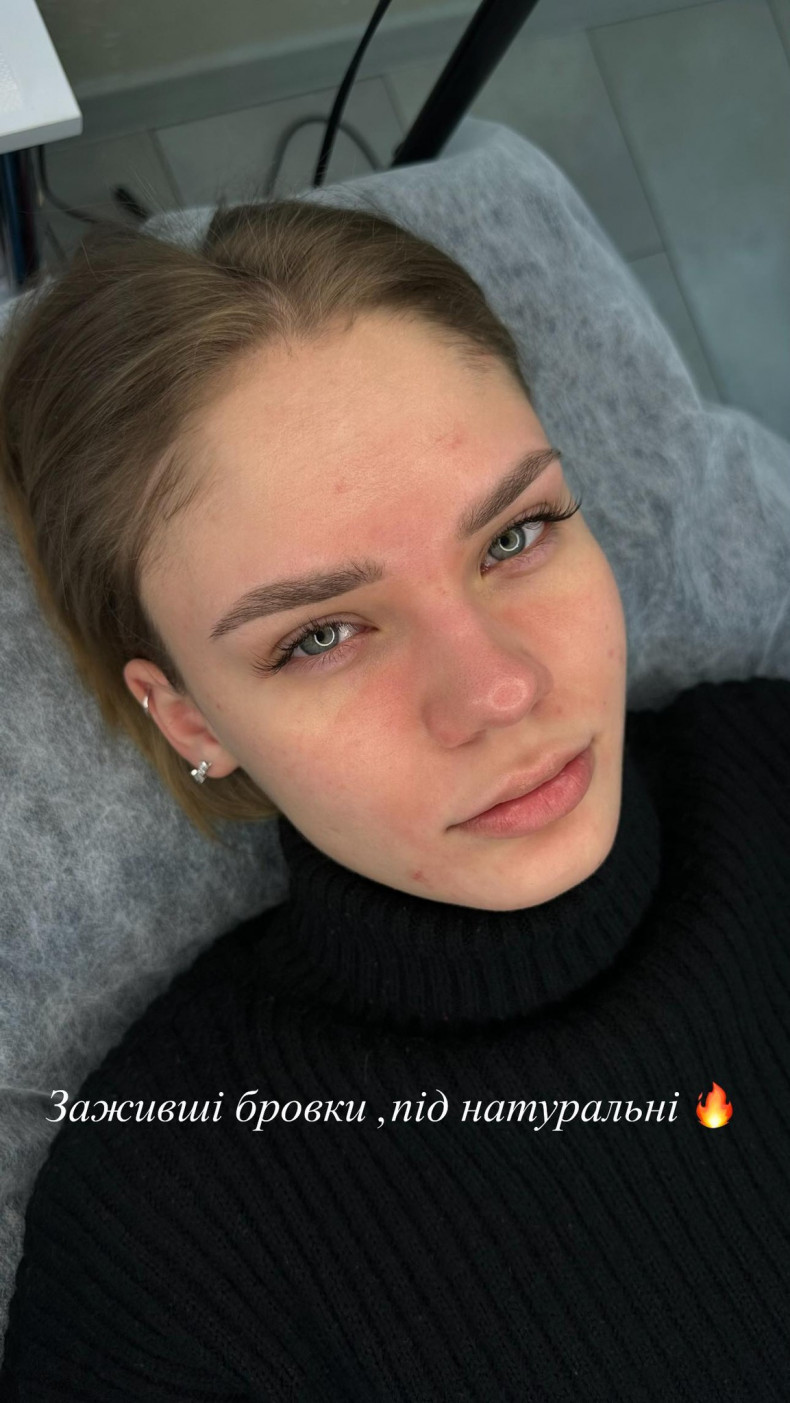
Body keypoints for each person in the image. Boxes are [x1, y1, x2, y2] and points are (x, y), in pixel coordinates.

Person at [0, 196, 788, 1402]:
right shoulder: (166, 1244)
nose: (498, 689)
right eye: (320, 633)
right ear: (191, 717)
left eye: (515, 535)